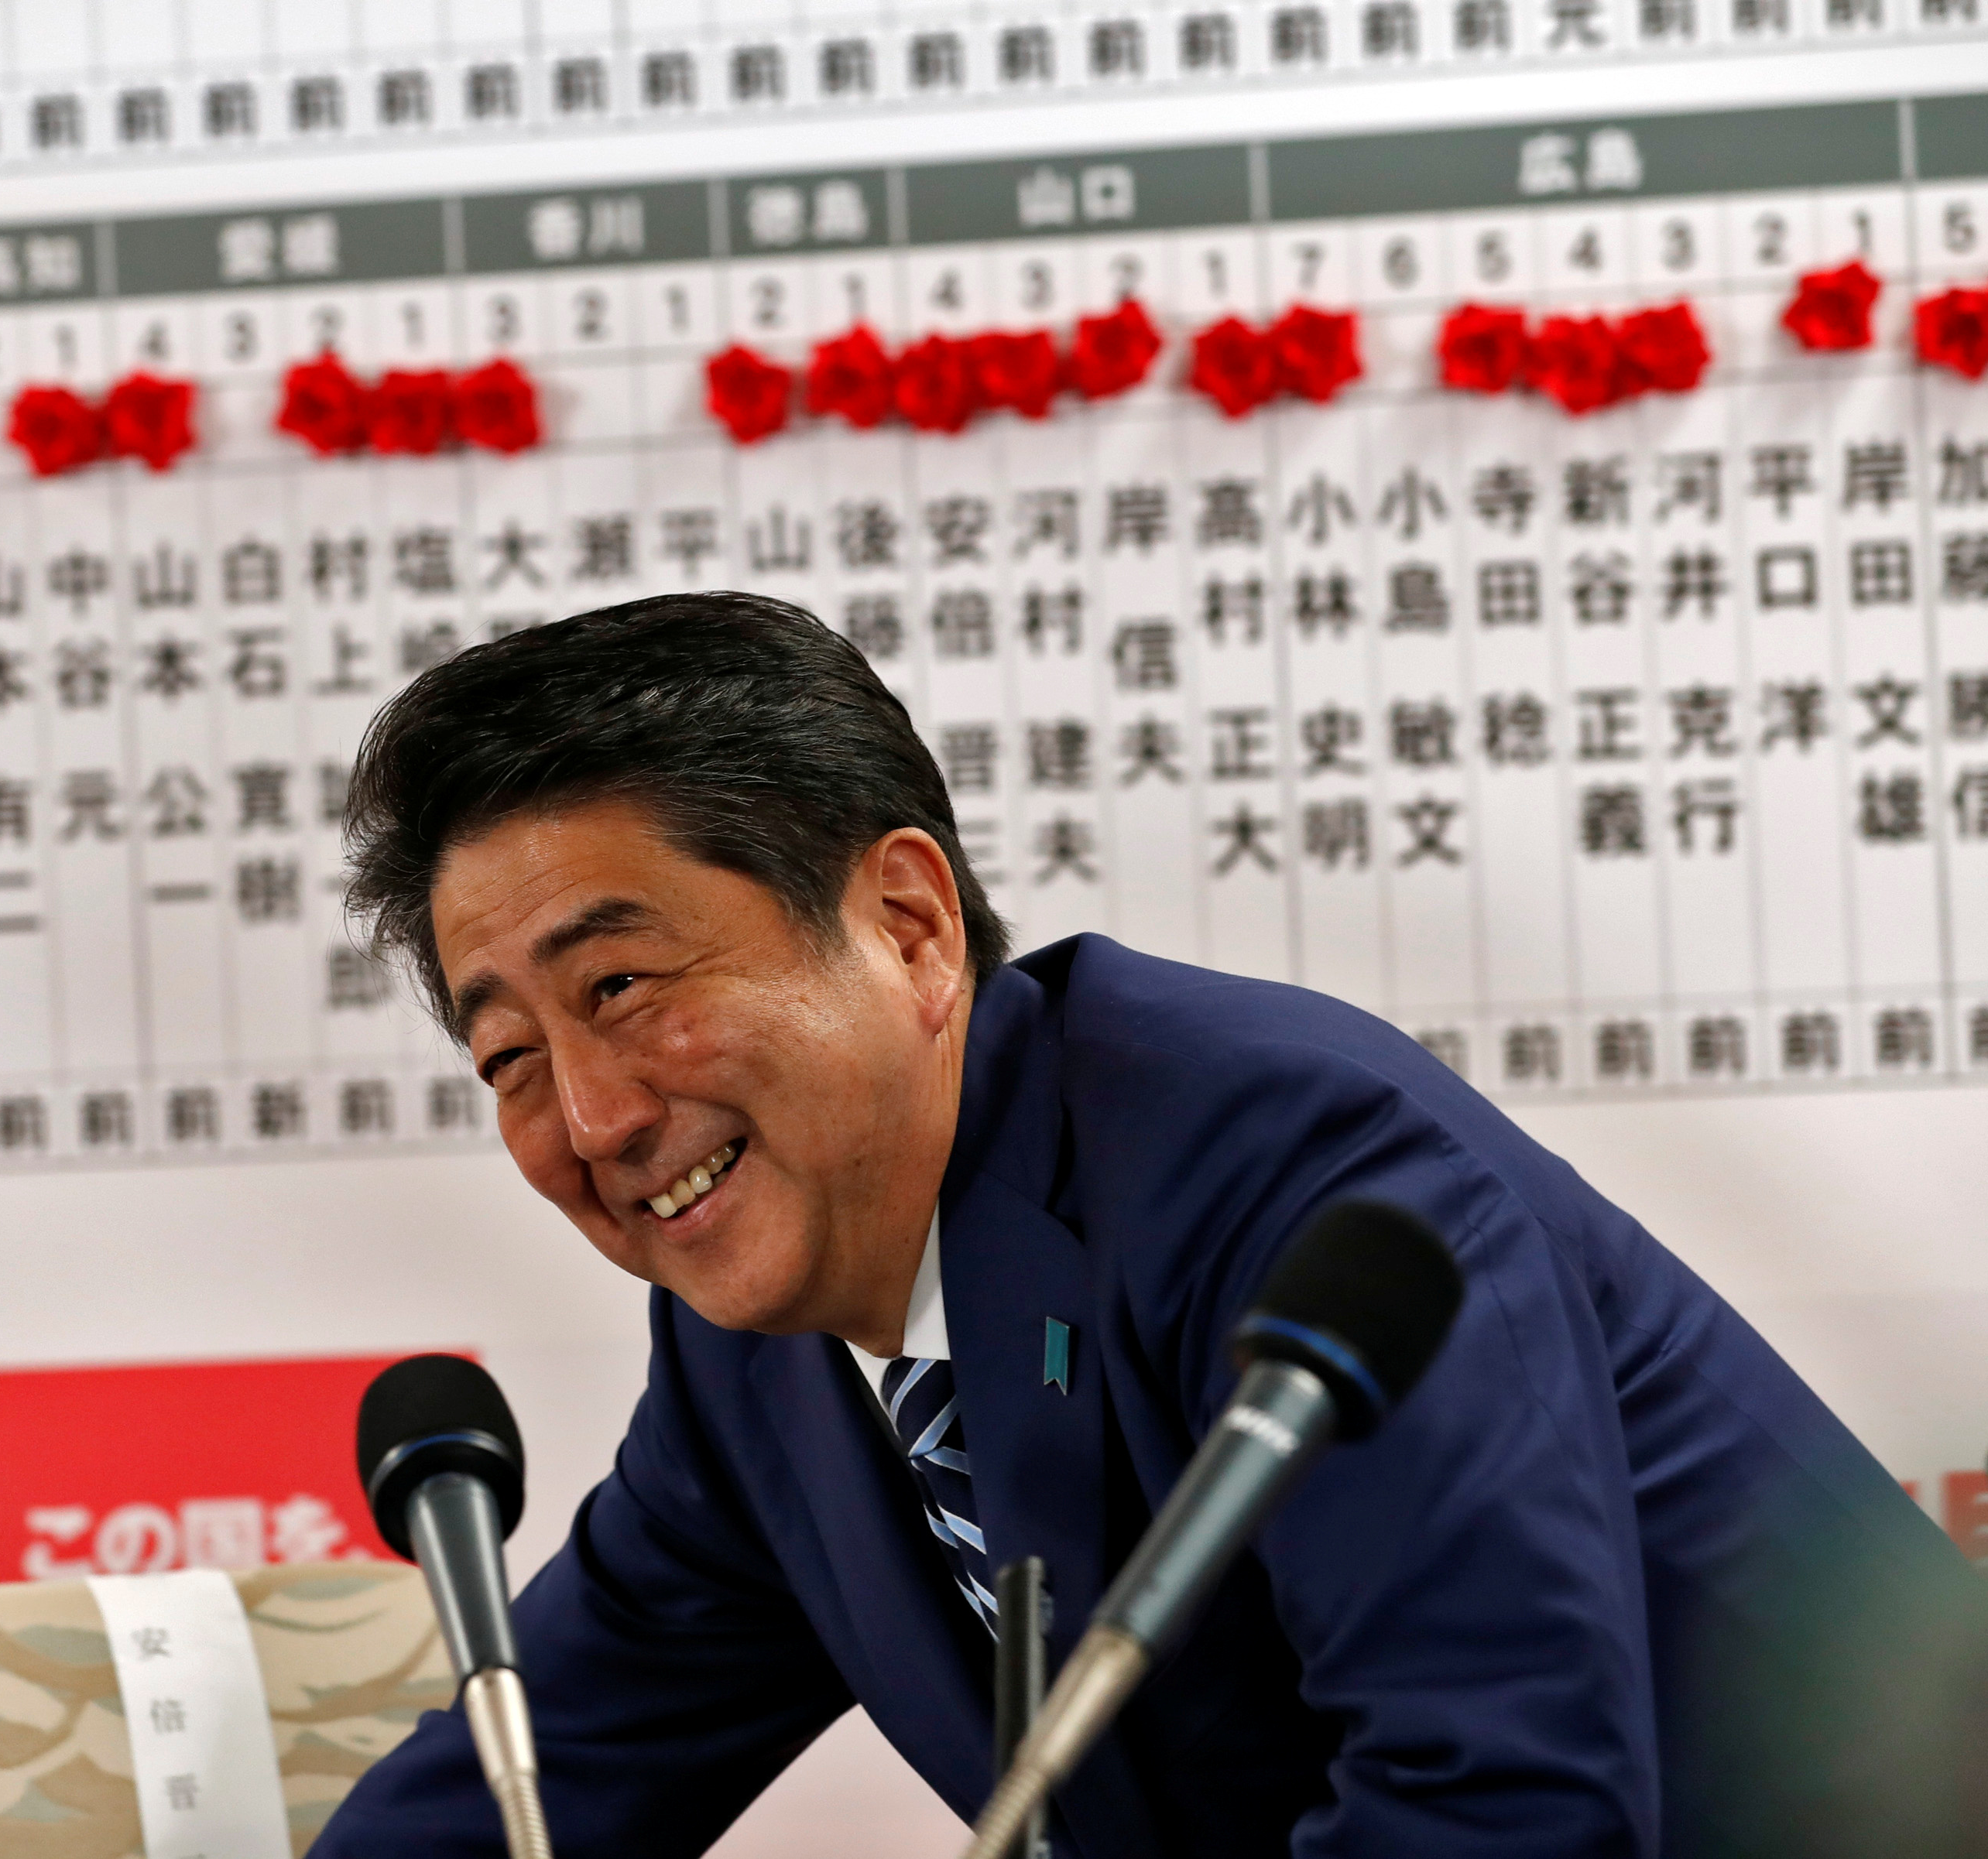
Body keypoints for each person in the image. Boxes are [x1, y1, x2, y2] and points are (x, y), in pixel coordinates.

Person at [314, 591, 1982, 1859]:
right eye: (511, 1057)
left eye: (623, 985)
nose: (594, 1117)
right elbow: (535, 1779)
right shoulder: (756, 1355)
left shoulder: (1283, 1165)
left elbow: (1499, 1804)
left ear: (906, 926)